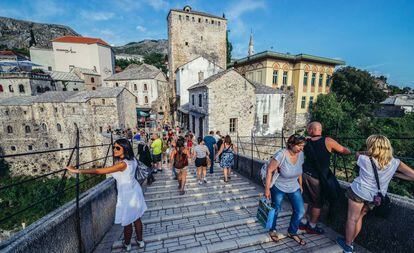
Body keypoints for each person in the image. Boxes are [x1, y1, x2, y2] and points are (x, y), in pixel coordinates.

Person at [336, 135, 414, 253]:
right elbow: (412, 176)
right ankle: (350, 242)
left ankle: (348, 246)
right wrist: (396, 174)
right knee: (360, 217)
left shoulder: (363, 158)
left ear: (371, 146)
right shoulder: (395, 163)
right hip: (375, 197)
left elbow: (357, 153)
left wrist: (368, 151)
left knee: (352, 219)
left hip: (359, 191)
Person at [66, 139, 146, 251]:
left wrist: (77, 171)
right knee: (137, 218)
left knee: (127, 222)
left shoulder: (122, 165)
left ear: (125, 149)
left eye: (118, 148)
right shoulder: (132, 160)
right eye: (114, 147)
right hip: (135, 190)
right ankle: (140, 241)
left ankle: (127, 244)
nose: (114, 149)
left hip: (127, 195)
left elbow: (100, 171)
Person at [300, 121, 351, 234]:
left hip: (304, 173)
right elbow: (345, 151)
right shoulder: (327, 141)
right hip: (317, 178)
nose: (308, 131)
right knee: (317, 203)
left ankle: (302, 222)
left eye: (309, 129)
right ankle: (312, 225)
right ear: (320, 130)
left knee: (305, 199)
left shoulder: (305, 141)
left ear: (311, 130)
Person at [264, 134, 306, 246]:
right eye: (299, 146)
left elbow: (300, 170)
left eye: (303, 146)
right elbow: (269, 171)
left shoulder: (301, 154)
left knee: (300, 210)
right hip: (278, 187)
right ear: (291, 144)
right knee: (276, 209)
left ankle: (292, 232)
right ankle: (272, 230)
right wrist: (267, 190)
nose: (301, 148)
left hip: (294, 186)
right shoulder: (281, 155)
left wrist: (300, 184)